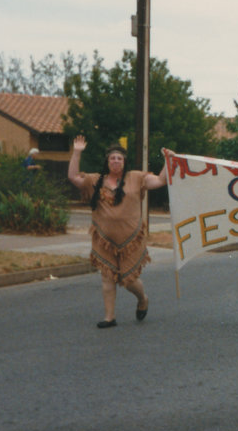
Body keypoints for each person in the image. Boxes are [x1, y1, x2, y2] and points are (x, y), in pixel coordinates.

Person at [67, 135, 174, 328]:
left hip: (131, 238)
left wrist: (169, 160)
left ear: (124, 162)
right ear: (107, 162)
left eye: (119, 158)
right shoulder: (95, 180)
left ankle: (142, 299)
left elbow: (160, 180)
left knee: (128, 279)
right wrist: (76, 152)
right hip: (104, 238)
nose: (116, 161)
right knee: (107, 276)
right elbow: (73, 177)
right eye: (112, 158)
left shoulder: (136, 178)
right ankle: (110, 317)